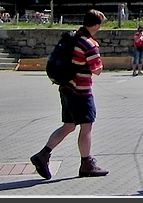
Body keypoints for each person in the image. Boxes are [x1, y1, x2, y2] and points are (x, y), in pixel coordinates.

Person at [30, 9, 109, 179]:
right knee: (86, 126)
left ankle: (43, 155)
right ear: (96, 25)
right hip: (81, 91)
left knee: (68, 125)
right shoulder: (89, 43)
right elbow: (97, 70)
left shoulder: (73, 37)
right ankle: (86, 164)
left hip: (66, 87)